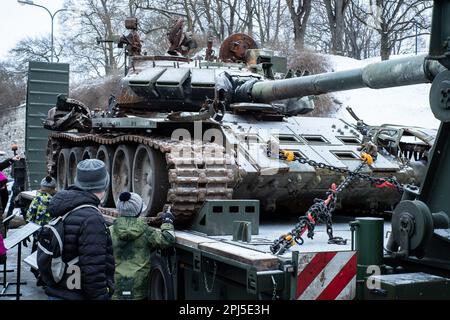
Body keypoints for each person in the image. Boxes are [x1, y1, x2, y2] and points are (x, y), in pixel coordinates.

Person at [45, 159, 115, 300]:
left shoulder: (63, 207)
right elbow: (93, 269)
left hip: (58, 289)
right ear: (105, 183)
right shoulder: (92, 219)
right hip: (77, 295)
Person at [110, 192, 175, 300]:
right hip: (139, 291)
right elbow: (167, 239)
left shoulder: (110, 231)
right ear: (139, 211)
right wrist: (167, 221)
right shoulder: (146, 232)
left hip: (115, 290)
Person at [26, 175, 57, 285]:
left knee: (36, 255)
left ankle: (38, 273)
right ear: (53, 188)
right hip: (50, 234)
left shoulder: (37, 198)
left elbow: (29, 215)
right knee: (48, 257)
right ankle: (45, 277)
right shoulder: (55, 200)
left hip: (38, 233)